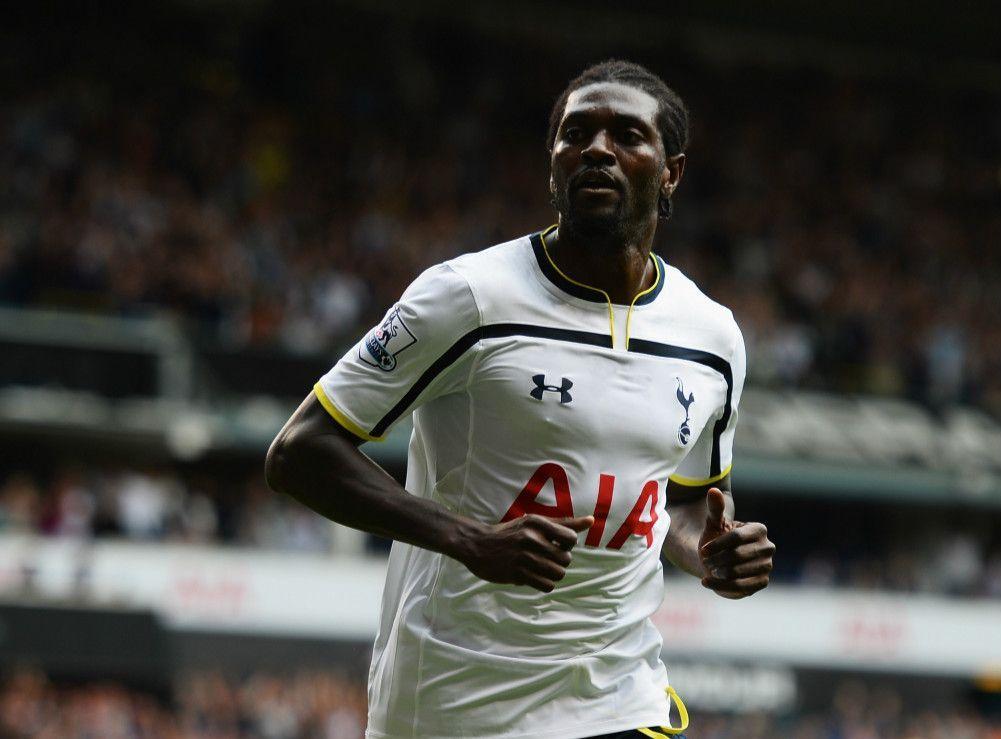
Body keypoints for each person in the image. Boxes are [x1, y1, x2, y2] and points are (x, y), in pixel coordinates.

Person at [265, 59, 775, 739]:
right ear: (552, 166)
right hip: (453, 702)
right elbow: (298, 452)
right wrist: (466, 538)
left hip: (619, 695)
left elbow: (686, 502)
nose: (596, 149)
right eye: (576, 134)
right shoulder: (467, 297)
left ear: (670, 172)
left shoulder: (711, 336)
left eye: (627, 135)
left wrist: (709, 550)